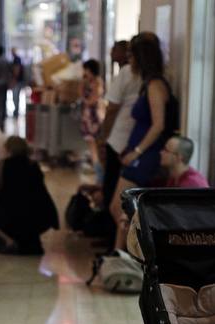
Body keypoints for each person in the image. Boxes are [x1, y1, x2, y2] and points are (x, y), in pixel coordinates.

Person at [111, 33, 177, 250]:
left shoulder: (155, 85)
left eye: (132, 55)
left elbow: (158, 124)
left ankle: (129, 257)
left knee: (121, 209)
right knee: (120, 209)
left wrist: (137, 151)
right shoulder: (148, 83)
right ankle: (122, 255)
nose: (129, 60)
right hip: (140, 153)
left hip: (145, 155)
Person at [0, 136, 59, 255]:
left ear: (8, 149)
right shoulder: (33, 166)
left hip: (7, 215)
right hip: (30, 215)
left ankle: (7, 239)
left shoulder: (3, 165)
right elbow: (40, 190)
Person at [97, 40, 139, 229]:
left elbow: (112, 108)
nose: (112, 52)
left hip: (118, 139)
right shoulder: (143, 77)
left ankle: (110, 239)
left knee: (111, 188)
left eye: (117, 50)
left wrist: (103, 136)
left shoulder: (127, 73)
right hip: (128, 140)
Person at [78, 60, 104, 158]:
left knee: (94, 142)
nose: (84, 72)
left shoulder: (97, 81)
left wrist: (85, 101)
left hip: (94, 115)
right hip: (87, 116)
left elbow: (93, 100)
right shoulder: (87, 82)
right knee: (90, 142)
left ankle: (98, 166)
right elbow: (80, 94)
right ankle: (96, 164)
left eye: (86, 70)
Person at [9, 50, 26, 120]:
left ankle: (16, 112)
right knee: (15, 97)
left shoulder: (16, 59)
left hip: (17, 82)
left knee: (15, 97)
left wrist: (14, 80)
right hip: (17, 81)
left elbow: (17, 70)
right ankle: (16, 111)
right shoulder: (15, 59)